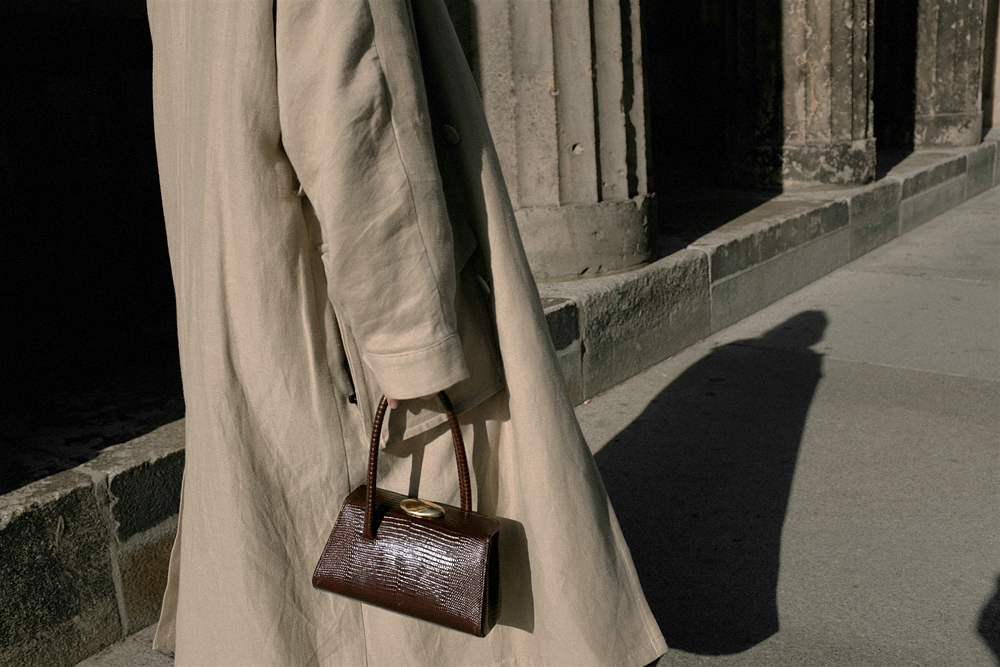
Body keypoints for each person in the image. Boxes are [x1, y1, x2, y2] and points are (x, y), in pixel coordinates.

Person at [146, 0, 667, 664]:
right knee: (424, 591)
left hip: (248, 294)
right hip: (345, 321)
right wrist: (416, 346)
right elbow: (359, 128)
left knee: (279, 575)